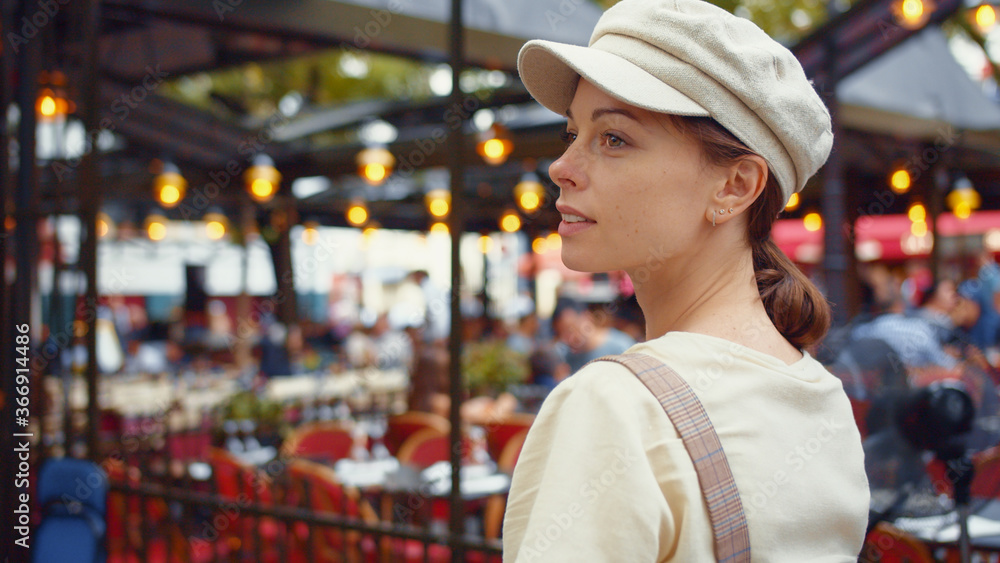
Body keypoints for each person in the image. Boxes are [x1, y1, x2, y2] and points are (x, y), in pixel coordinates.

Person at [504, 1, 870, 560]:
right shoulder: (821, 396)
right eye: (573, 133)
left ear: (735, 186)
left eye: (614, 139)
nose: (562, 166)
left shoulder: (616, 406)